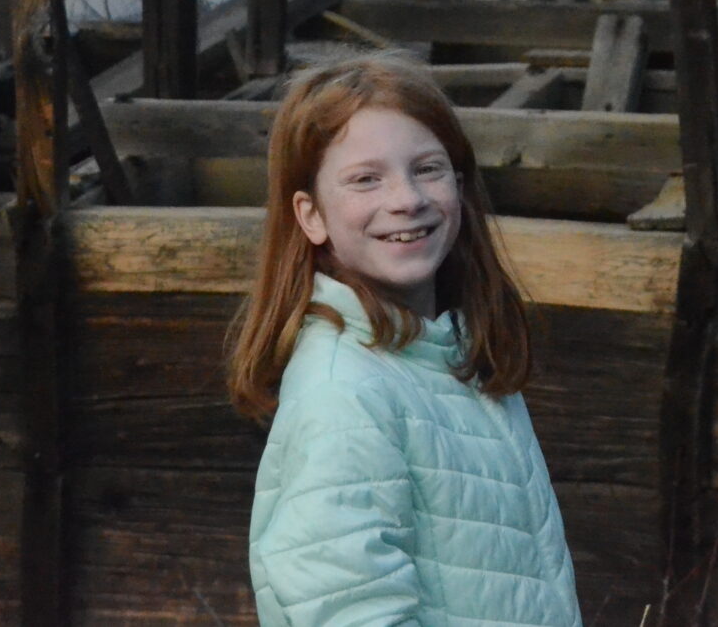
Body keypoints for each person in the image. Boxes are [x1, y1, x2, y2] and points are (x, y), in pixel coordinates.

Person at [228, 54, 583, 627]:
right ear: (312, 215)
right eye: (365, 179)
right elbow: (349, 611)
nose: (407, 198)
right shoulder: (344, 392)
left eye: (427, 169)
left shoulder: (452, 358)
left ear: (459, 187)